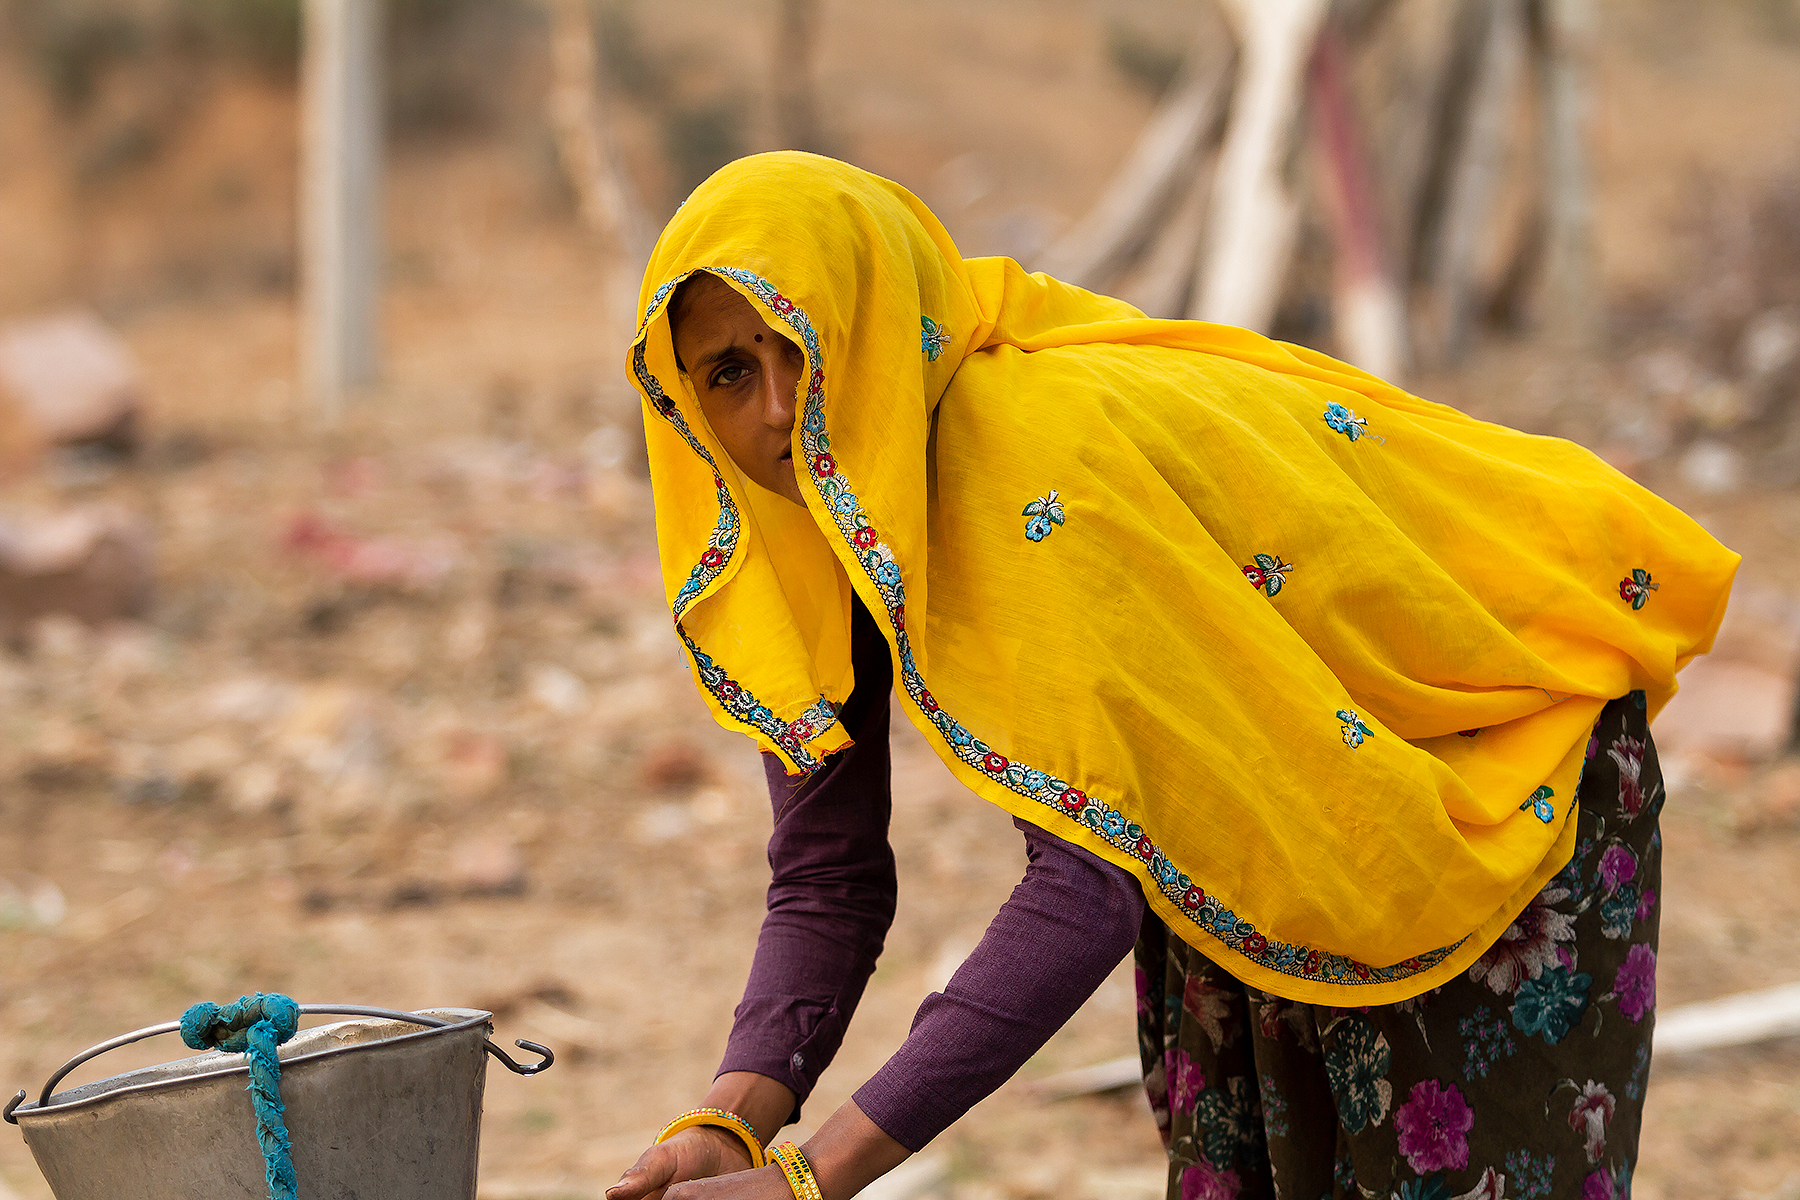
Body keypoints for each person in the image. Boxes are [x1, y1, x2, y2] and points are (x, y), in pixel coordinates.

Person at [605, 153, 1737, 1200]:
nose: (773, 409)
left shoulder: (1037, 470)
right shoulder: (816, 534)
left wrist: (819, 1176)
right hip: (1253, 823)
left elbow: (1084, 882)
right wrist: (734, 1120)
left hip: (1486, 789)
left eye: (805, 345)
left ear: (882, 322)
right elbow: (827, 874)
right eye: (727, 371)